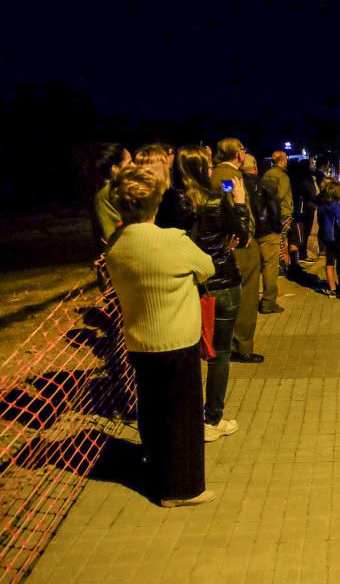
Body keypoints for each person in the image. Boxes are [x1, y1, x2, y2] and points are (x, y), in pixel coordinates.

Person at [104, 165, 216, 508]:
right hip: (177, 340)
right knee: (184, 415)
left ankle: (155, 469)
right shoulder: (173, 240)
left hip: (139, 340)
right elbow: (207, 267)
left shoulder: (116, 245)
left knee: (151, 409)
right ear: (156, 202)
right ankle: (182, 488)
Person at [156, 145, 250, 442]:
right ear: (200, 169)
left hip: (184, 284)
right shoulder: (214, 201)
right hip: (221, 282)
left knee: (185, 353)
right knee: (219, 355)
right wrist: (240, 204)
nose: (212, 171)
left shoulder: (169, 203)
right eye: (208, 166)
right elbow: (243, 235)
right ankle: (212, 419)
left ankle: (185, 417)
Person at [211, 138, 263, 364]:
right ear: (237, 153)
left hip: (230, 242)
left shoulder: (219, 174)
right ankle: (241, 345)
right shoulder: (227, 177)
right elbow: (232, 205)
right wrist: (245, 235)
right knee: (247, 295)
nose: (244, 153)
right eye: (243, 149)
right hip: (239, 244)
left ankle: (232, 343)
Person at [242, 153, 284, 314]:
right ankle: (268, 301)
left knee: (251, 267)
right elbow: (274, 207)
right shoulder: (265, 184)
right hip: (267, 231)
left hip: (248, 232)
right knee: (270, 267)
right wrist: (276, 227)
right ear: (255, 167)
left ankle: (249, 301)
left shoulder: (234, 184)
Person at [89, 143, 132, 249]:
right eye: (129, 163)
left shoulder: (117, 191)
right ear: (115, 169)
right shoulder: (107, 195)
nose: (134, 166)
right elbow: (113, 235)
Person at [262, 151, 295, 277]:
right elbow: (281, 195)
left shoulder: (267, 175)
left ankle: (280, 264)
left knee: (278, 239)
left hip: (271, 212)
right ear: (282, 161)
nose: (287, 161)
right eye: (286, 158)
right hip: (283, 211)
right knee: (282, 240)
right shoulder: (283, 176)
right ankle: (282, 266)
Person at [316, 180, 340, 297]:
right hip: (338, 238)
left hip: (327, 238)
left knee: (329, 263)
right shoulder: (336, 207)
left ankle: (332, 288)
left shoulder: (322, 207)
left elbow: (319, 221)